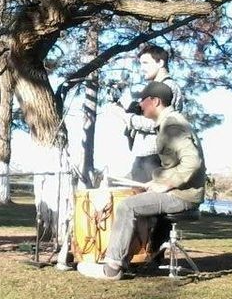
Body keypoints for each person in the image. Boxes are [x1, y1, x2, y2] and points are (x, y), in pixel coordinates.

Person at [78, 81, 205, 281]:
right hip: (180, 192)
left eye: (143, 100)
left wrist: (166, 184)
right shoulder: (168, 123)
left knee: (127, 206)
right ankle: (129, 258)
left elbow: (192, 162)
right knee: (130, 199)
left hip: (182, 196)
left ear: (155, 101)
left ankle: (112, 268)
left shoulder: (172, 125)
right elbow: (175, 165)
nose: (140, 105)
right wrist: (157, 180)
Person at [108, 44, 183, 183]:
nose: (142, 68)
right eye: (140, 63)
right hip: (146, 157)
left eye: (145, 63)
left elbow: (156, 123)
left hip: (155, 157)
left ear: (160, 63)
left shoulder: (167, 87)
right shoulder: (156, 88)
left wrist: (124, 116)